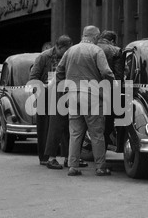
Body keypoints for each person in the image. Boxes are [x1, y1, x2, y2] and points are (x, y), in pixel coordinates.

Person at [56, 26, 115, 177]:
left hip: (72, 96)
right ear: (95, 37)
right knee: (96, 133)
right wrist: (111, 84)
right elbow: (106, 72)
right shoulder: (97, 51)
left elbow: (59, 71)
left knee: (75, 133)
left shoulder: (70, 51)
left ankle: (73, 166)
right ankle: (100, 167)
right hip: (92, 96)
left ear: (83, 35)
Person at [30, 36, 73, 169]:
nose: (67, 53)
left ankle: (67, 157)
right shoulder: (44, 57)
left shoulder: (68, 57)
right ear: (58, 47)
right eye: (65, 50)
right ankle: (45, 157)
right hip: (45, 95)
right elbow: (33, 78)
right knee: (45, 127)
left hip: (63, 95)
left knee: (66, 127)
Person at [97, 30, 124, 149]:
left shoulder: (92, 48)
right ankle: (102, 152)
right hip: (109, 92)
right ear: (112, 41)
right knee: (107, 123)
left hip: (90, 90)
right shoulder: (116, 51)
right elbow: (118, 76)